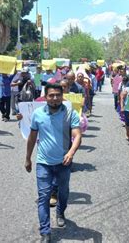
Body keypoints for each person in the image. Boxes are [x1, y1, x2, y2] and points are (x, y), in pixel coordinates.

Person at [25, 83, 82, 242]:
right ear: (45, 96)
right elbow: (32, 137)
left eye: (58, 95)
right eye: (51, 95)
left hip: (64, 162)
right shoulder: (37, 114)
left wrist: (71, 153)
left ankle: (60, 212)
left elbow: (77, 135)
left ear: (62, 96)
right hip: (43, 162)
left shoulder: (70, 114)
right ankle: (45, 231)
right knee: (43, 196)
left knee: (63, 193)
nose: (55, 98)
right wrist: (28, 158)